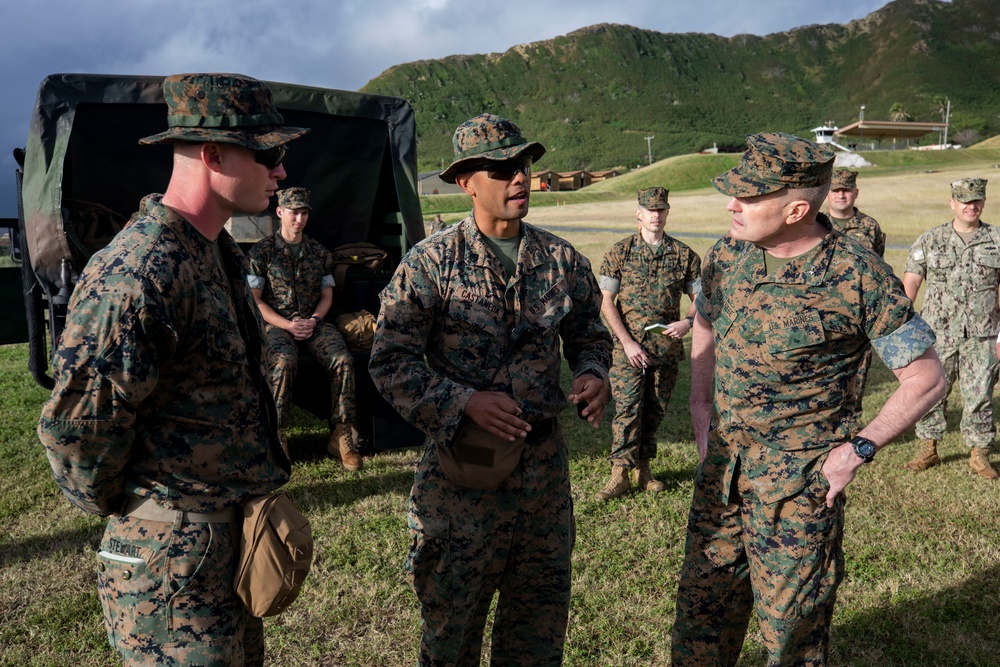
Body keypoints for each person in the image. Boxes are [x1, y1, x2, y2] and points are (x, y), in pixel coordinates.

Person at [37, 73, 309, 666]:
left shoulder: (211, 250)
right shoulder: (141, 271)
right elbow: (76, 432)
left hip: (222, 542)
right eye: (269, 153)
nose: (281, 171)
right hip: (171, 559)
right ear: (212, 154)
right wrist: (151, 515)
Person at [672, 132, 946, 666]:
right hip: (722, 473)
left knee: (791, 639)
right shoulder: (729, 253)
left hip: (798, 491)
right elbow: (704, 317)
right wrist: (699, 406)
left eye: (748, 198)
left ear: (797, 208)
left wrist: (857, 451)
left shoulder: (858, 274)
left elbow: (927, 378)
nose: (732, 205)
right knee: (700, 624)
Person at [368, 113, 612, 666]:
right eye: (501, 169)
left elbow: (587, 331)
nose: (519, 178)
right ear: (466, 182)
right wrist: (464, 401)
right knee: (451, 635)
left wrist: (593, 372)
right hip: (462, 479)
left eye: (522, 164)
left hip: (542, 476)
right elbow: (390, 361)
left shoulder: (559, 258)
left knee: (536, 634)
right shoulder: (432, 264)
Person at [595, 186, 701, 500]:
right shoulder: (620, 252)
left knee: (655, 409)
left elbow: (700, 297)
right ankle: (619, 473)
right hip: (629, 347)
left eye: (661, 210)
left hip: (664, 349)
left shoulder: (684, 255)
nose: (656, 215)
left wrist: (689, 321)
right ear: (638, 214)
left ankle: (643, 469)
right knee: (628, 407)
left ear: (667, 212)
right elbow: (606, 302)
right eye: (650, 210)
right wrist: (626, 342)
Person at [247, 187, 361, 470]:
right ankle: (277, 436)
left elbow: (326, 296)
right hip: (278, 325)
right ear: (280, 212)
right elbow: (255, 301)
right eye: (293, 212)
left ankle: (341, 435)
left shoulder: (319, 253)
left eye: (304, 213)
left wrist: (314, 321)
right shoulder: (261, 253)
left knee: (342, 360)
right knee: (283, 362)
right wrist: (287, 324)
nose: (299, 218)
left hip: (314, 323)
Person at [901, 177, 1000, 480]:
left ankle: (980, 454)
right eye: (965, 201)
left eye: (977, 200)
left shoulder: (996, 240)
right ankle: (928, 448)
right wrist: (905, 327)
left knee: (980, 393)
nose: (972, 206)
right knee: (932, 392)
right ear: (952, 203)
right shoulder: (930, 240)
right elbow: (912, 283)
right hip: (938, 335)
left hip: (982, 335)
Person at [826, 168, 887, 429]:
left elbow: (878, 270)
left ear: (855, 193)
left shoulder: (870, 227)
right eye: (835, 190)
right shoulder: (814, 224)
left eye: (846, 190)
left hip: (858, 319)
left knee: (856, 379)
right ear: (826, 194)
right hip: (820, 317)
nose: (841, 195)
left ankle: (850, 434)